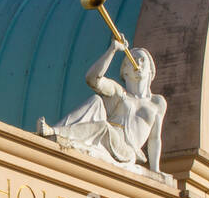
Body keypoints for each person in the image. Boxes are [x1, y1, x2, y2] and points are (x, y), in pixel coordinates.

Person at [37, 39, 166, 173]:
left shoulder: (157, 102)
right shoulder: (120, 93)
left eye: (142, 60)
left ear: (150, 69)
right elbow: (92, 79)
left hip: (126, 151)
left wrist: (155, 171)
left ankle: (54, 132)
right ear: (125, 72)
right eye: (132, 60)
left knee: (104, 126)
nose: (137, 63)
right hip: (108, 141)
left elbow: (155, 138)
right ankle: (56, 131)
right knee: (96, 100)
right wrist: (113, 49)